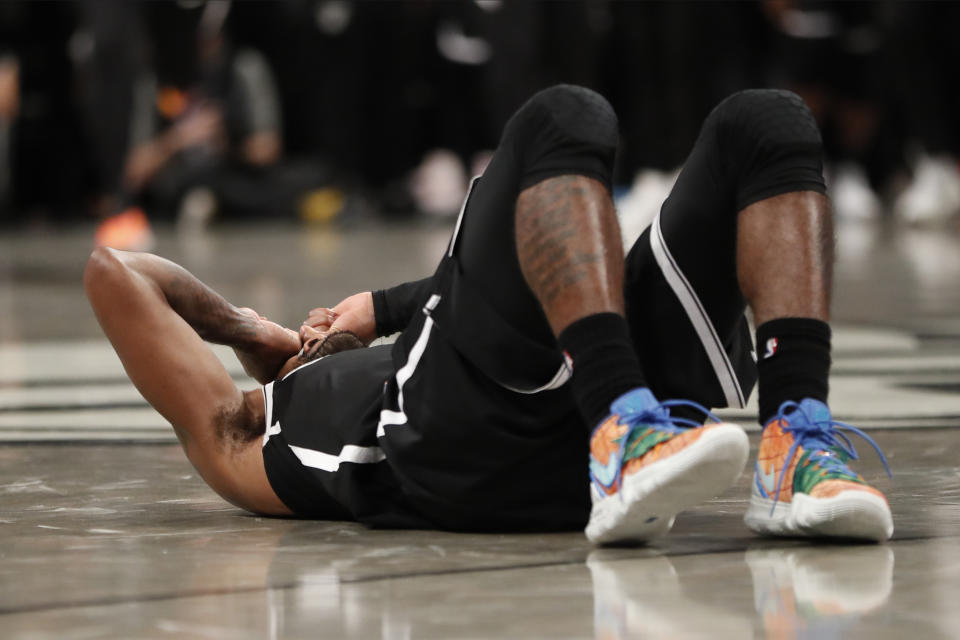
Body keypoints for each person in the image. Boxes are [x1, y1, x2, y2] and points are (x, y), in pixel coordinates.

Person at [84, 85, 892, 544]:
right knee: (562, 119)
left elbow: (501, 293)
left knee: (765, 125)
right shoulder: (242, 430)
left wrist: (386, 307)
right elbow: (112, 272)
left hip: (587, 388)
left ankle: (794, 446)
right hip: (467, 447)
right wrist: (249, 331)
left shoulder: (433, 335)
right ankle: (622, 434)